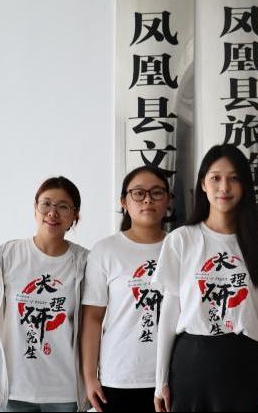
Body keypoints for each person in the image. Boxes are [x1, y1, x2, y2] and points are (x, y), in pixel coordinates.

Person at [152, 144, 258, 412]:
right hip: (192, 364)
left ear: (245, 186)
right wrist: (160, 380)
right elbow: (170, 311)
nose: (224, 187)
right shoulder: (181, 240)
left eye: (234, 178)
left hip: (245, 363)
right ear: (203, 184)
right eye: (216, 178)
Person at [0, 176, 89, 412]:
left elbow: (91, 325)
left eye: (63, 206)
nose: (52, 213)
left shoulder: (85, 262)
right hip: (14, 388)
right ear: (35, 208)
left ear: (75, 215)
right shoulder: (8, 255)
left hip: (64, 390)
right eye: (46, 204)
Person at [80, 166, 171, 412]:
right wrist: (89, 377)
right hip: (119, 376)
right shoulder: (106, 250)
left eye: (156, 193)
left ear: (168, 200)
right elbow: (92, 318)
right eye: (138, 193)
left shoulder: (180, 246)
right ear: (124, 201)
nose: (148, 200)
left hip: (171, 377)